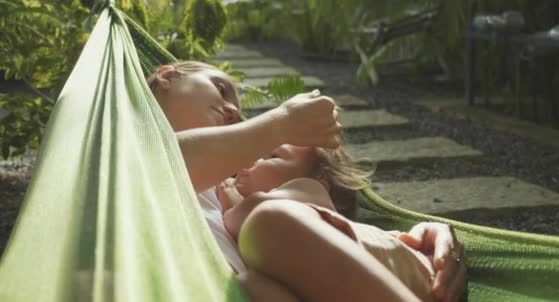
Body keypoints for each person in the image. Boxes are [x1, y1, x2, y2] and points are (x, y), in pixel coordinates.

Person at [148, 61, 467, 301]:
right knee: (253, 281)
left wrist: (432, 234)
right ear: (168, 75)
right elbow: (158, 157)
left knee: (270, 224)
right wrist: (280, 124)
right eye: (221, 88)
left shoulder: (230, 191)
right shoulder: (125, 138)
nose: (233, 110)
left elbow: (332, 237)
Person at [216, 143, 441, 301]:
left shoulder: (308, 190)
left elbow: (244, 219)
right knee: (250, 285)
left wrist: (232, 202)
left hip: (408, 276)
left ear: (321, 181)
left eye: (273, 156)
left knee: (265, 223)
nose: (253, 161)